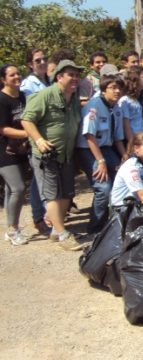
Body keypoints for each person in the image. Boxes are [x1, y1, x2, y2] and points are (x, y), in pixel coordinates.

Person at [21, 60, 85, 250]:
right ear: (59, 77)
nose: (75, 78)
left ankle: (57, 230)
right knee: (52, 195)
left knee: (66, 193)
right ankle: (63, 235)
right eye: (71, 75)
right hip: (47, 155)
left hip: (66, 154)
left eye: (77, 75)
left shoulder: (73, 98)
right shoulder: (45, 95)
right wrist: (39, 140)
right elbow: (27, 120)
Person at [75, 74, 127, 234]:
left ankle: (114, 222)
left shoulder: (116, 108)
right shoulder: (94, 106)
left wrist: (125, 156)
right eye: (113, 88)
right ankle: (95, 227)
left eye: (120, 88)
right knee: (103, 187)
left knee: (121, 179)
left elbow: (118, 137)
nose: (117, 91)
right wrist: (100, 161)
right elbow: (89, 135)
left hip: (107, 148)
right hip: (89, 149)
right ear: (104, 90)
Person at [19, 48, 48, 230]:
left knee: (43, 177)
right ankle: (39, 216)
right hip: (37, 135)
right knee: (40, 178)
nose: (43, 62)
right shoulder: (28, 85)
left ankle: (44, 214)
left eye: (44, 59)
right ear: (30, 64)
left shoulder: (48, 80)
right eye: (38, 60)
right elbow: (28, 114)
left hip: (48, 135)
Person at [0, 64, 30, 245]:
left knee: (11, 190)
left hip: (21, 149)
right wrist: (29, 134)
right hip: (4, 151)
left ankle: (10, 227)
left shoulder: (23, 97)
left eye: (18, 73)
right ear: (3, 79)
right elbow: (3, 129)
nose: (17, 76)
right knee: (18, 188)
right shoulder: (2, 100)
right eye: (12, 75)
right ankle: (13, 229)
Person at [110, 133, 143, 208]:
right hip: (122, 208)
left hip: (135, 205)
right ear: (136, 149)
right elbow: (141, 194)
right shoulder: (132, 167)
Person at [119, 68, 143, 159]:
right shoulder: (126, 100)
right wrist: (132, 145)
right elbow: (126, 125)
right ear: (135, 79)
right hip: (136, 141)